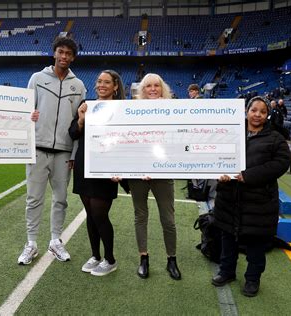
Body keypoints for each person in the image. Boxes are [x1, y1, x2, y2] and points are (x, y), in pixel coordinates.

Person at [211, 96, 291, 297]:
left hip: (259, 202)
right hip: (229, 198)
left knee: (256, 245)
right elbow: (214, 156)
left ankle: (252, 279)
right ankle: (226, 272)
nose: (257, 115)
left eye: (262, 112)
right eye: (253, 110)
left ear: (267, 114)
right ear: (246, 111)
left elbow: (280, 164)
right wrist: (218, 173)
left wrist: (247, 176)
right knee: (227, 239)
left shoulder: (275, 138)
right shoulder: (231, 133)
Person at [17, 36, 86, 265]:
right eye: (61, 52)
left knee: (61, 199)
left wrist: (74, 153)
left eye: (68, 53)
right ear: (54, 53)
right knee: (33, 199)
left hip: (64, 153)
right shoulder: (37, 78)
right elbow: (25, 112)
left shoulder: (79, 86)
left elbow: (80, 123)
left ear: (73, 57)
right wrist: (29, 118)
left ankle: (56, 240)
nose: (64, 56)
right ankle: (31, 243)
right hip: (37, 149)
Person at [69, 70, 125, 276]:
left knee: (100, 213)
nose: (101, 85)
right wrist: (82, 119)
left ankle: (110, 259)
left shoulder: (122, 109)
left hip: (107, 166)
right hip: (85, 164)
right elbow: (73, 132)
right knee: (90, 215)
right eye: (99, 81)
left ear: (115, 86)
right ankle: (95, 256)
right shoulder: (86, 104)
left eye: (107, 82)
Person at [128, 73, 181, 280]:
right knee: (140, 216)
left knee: (168, 218)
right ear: (142, 89)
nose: (152, 89)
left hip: (163, 172)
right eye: (148, 86)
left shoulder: (173, 110)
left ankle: (172, 260)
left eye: (156, 86)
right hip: (138, 173)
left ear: (162, 88)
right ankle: (144, 258)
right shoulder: (131, 111)